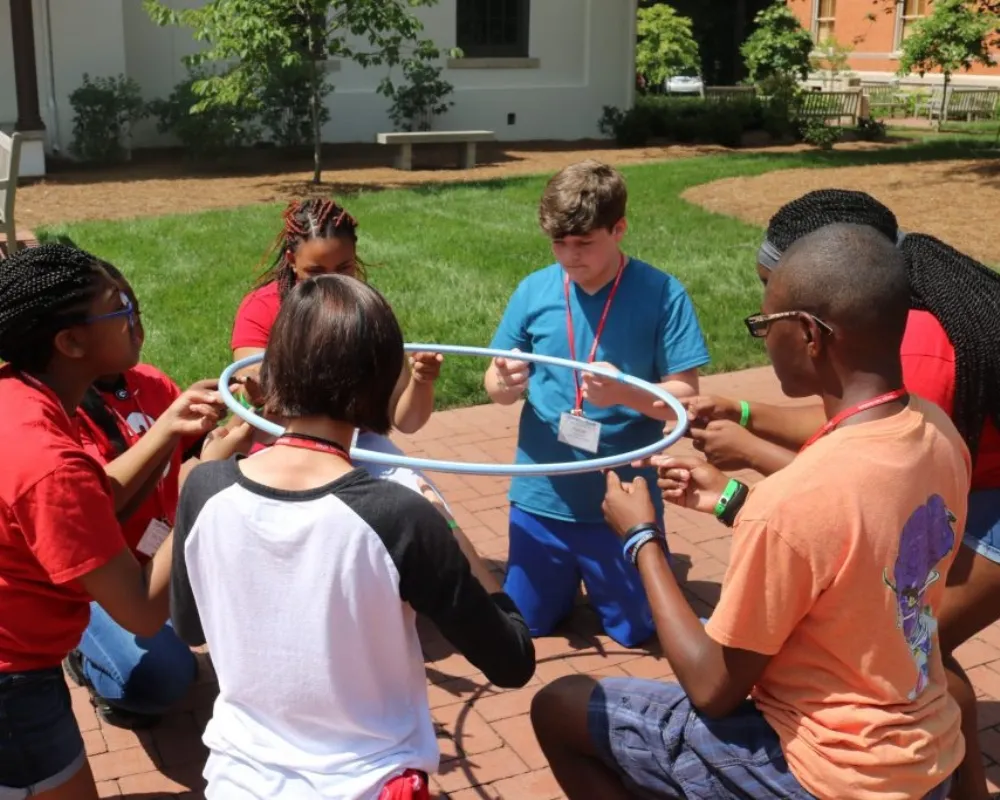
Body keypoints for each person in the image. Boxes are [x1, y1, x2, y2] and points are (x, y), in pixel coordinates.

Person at [531, 223, 964, 800]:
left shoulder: (798, 499)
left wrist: (642, 538)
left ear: (809, 334)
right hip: (919, 753)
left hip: (820, 772)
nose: (762, 338)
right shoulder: (938, 432)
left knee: (559, 707)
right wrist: (731, 498)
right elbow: (854, 534)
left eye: (764, 325)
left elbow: (712, 686)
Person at [680, 189, 1000, 799]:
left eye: (769, 311)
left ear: (812, 328)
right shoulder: (893, 364)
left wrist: (739, 475)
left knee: (920, 650)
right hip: (955, 477)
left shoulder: (921, 357)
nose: (761, 326)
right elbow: (845, 438)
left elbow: (846, 492)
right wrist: (745, 415)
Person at [174, 273, 535, 800]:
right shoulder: (402, 517)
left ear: (275, 369)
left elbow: (189, 625)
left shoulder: (206, 487)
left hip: (238, 779)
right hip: (367, 782)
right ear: (381, 382)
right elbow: (513, 659)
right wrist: (453, 532)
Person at [0, 244, 227, 799]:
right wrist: (203, 485)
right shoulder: (51, 461)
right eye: (118, 305)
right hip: (13, 680)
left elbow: (90, 499)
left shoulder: (17, 395)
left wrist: (169, 431)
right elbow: (144, 612)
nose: (134, 312)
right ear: (70, 342)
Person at [484, 160, 709, 647]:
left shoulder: (663, 295)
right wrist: (506, 378)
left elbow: (686, 403)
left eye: (584, 243)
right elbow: (494, 386)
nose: (569, 256)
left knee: (639, 633)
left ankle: (637, 571)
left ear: (619, 228)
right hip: (541, 500)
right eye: (558, 243)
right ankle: (562, 580)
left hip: (622, 503)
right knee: (529, 628)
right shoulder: (534, 290)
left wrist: (626, 392)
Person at [63, 261, 253, 730]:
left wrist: (257, 412)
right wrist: (168, 432)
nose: (137, 323)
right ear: (71, 339)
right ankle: (82, 650)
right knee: (161, 678)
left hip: (153, 559)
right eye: (120, 312)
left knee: (244, 617)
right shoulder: (60, 412)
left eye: (136, 306)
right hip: (94, 581)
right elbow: (97, 506)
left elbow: (207, 451)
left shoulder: (150, 382)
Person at [231, 199, 445, 483]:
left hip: (360, 448)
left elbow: (406, 422)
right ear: (292, 261)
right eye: (316, 272)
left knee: (435, 516)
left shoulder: (366, 311)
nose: (332, 283)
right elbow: (256, 401)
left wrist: (421, 381)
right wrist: (257, 394)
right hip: (280, 444)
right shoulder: (262, 308)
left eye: (344, 269)